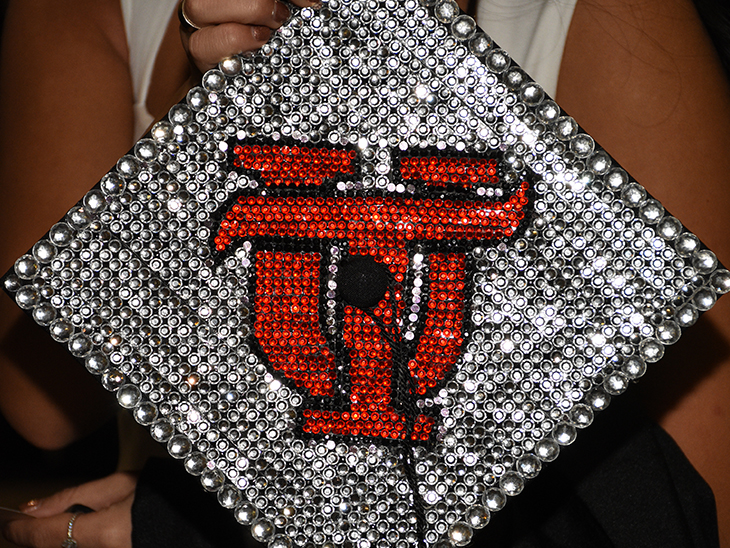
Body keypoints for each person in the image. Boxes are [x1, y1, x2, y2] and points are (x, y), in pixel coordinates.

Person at [1, 0, 729, 546]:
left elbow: (689, 505)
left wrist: (417, 80)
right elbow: (41, 402)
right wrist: (201, 125)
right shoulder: (86, 13)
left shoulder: (614, 19)